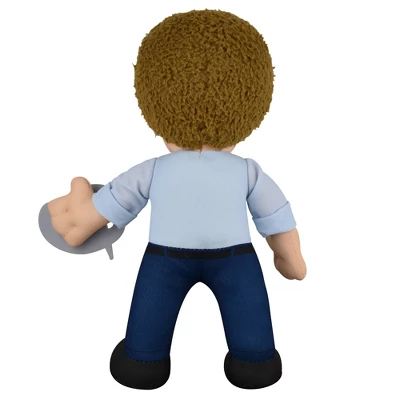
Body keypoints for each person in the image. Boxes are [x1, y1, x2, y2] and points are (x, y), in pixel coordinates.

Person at [47, 9, 307, 390]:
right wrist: (290, 258)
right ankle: (255, 360)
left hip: (164, 258)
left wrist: (84, 217)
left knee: (150, 310)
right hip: (235, 258)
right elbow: (277, 217)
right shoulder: (246, 171)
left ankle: (143, 359)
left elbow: (116, 200)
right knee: (248, 307)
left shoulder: (155, 169)